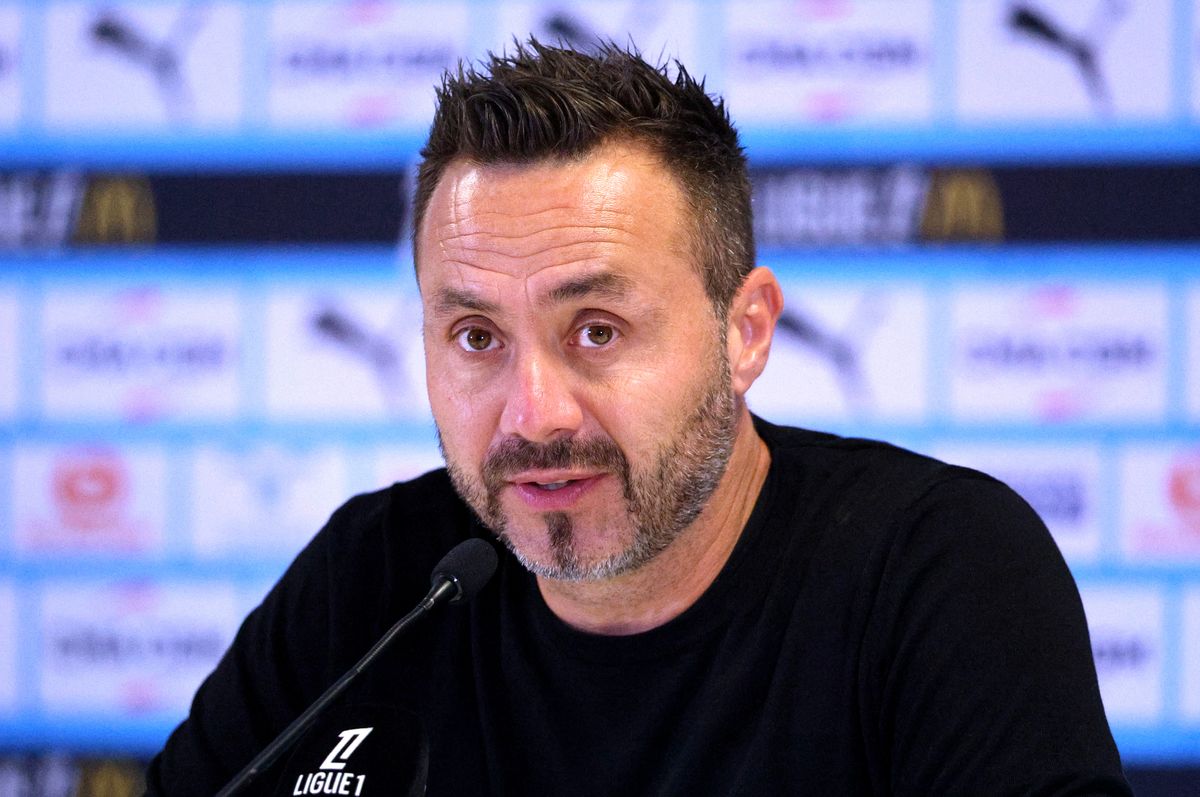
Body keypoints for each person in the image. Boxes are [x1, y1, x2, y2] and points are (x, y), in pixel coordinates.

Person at [146, 41, 1129, 795]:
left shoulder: (937, 572)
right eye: (478, 337)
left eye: (598, 330)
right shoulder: (375, 585)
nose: (534, 414)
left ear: (744, 332)